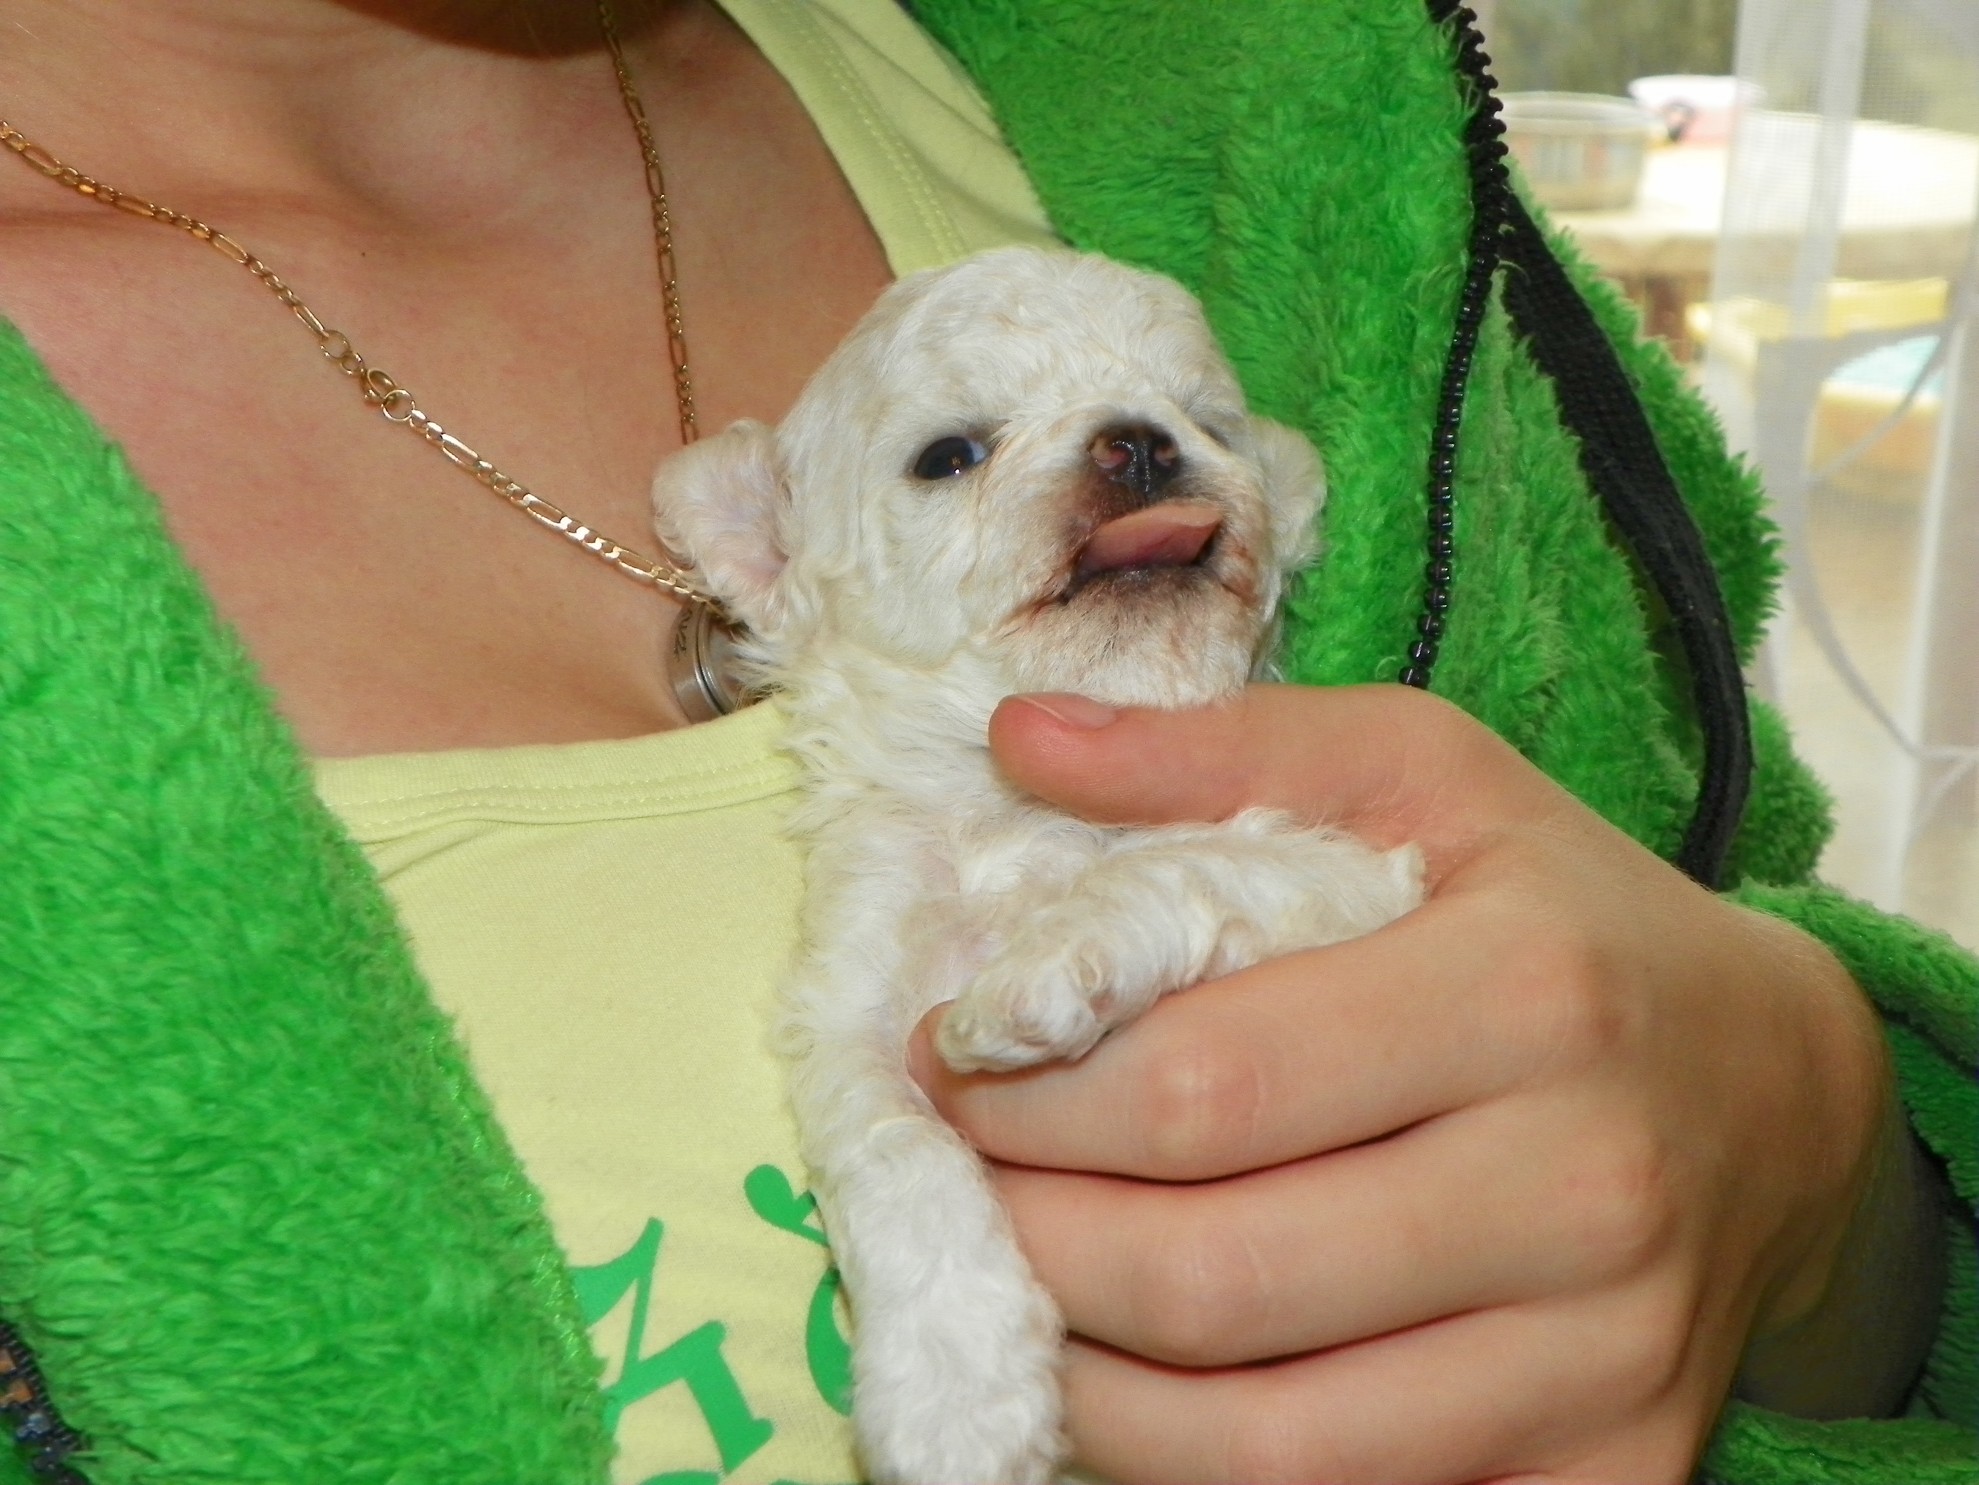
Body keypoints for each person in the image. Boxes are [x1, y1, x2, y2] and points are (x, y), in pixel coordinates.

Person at [0, 1, 1968, 1482]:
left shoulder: (1287, 125)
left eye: (1177, 429)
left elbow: (1759, 952)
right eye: (956, 452)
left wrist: (1818, 1156)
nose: (1122, 455)